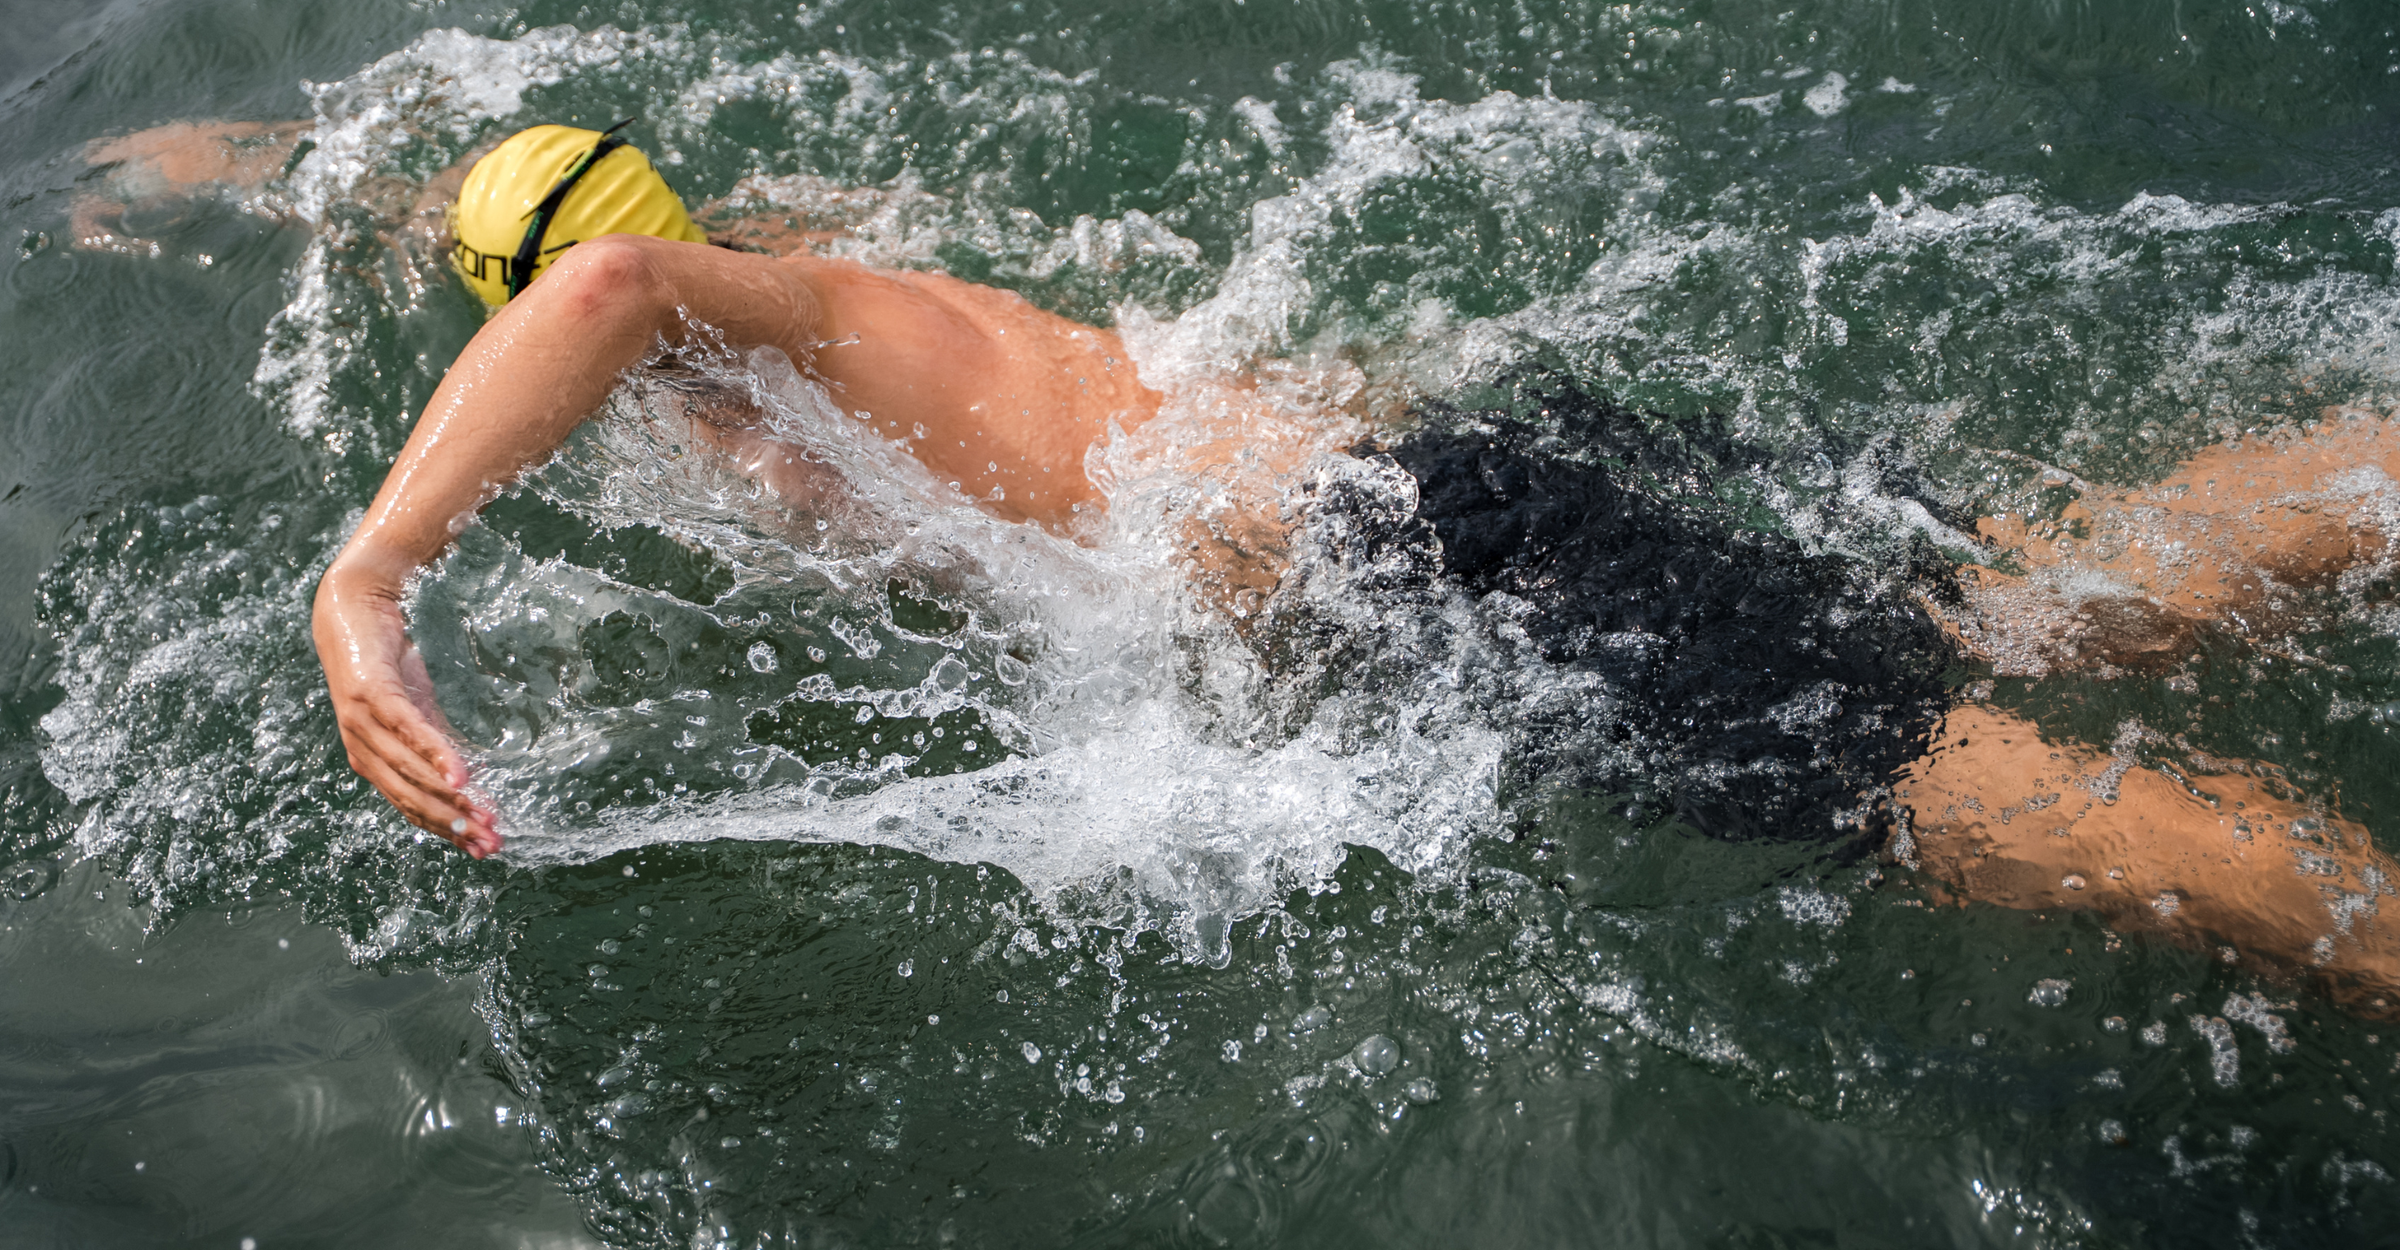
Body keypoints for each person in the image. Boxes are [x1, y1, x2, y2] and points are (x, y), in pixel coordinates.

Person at [73, 118, 2400, 1000]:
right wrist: (227, 179)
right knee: (2021, 590)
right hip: (1433, 480)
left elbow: (589, 282)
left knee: (1945, 779)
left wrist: (369, 572)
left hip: (1425, 558)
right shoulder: (790, 269)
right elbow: (544, 226)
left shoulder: (707, 331)